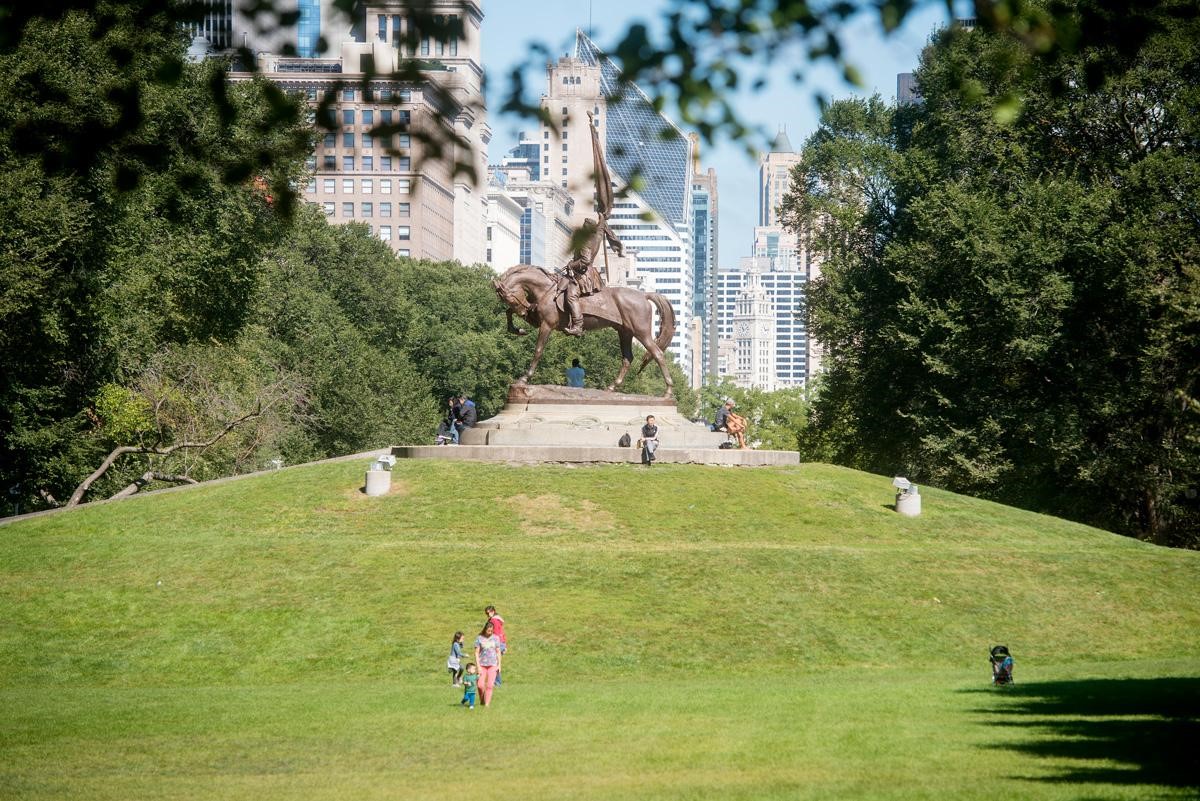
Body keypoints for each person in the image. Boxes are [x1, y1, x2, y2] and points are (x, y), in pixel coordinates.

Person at [474, 621, 503, 707]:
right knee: (480, 685)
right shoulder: (479, 638)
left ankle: (487, 705)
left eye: (491, 631)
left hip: (493, 664)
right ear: (485, 629)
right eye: (488, 631)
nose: (490, 632)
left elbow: (498, 652)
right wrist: (478, 666)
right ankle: (482, 700)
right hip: (482, 665)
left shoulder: (496, 638)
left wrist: (499, 665)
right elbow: (476, 652)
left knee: (490, 685)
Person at [485, 605, 507, 685]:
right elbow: (502, 632)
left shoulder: (493, 620)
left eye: (489, 613)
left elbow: (496, 633)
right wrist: (504, 645)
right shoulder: (497, 619)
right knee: (495, 662)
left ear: (493, 611)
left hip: (496, 643)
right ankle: (496, 681)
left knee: (494, 663)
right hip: (501, 642)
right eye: (487, 613)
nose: (488, 614)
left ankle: (497, 682)